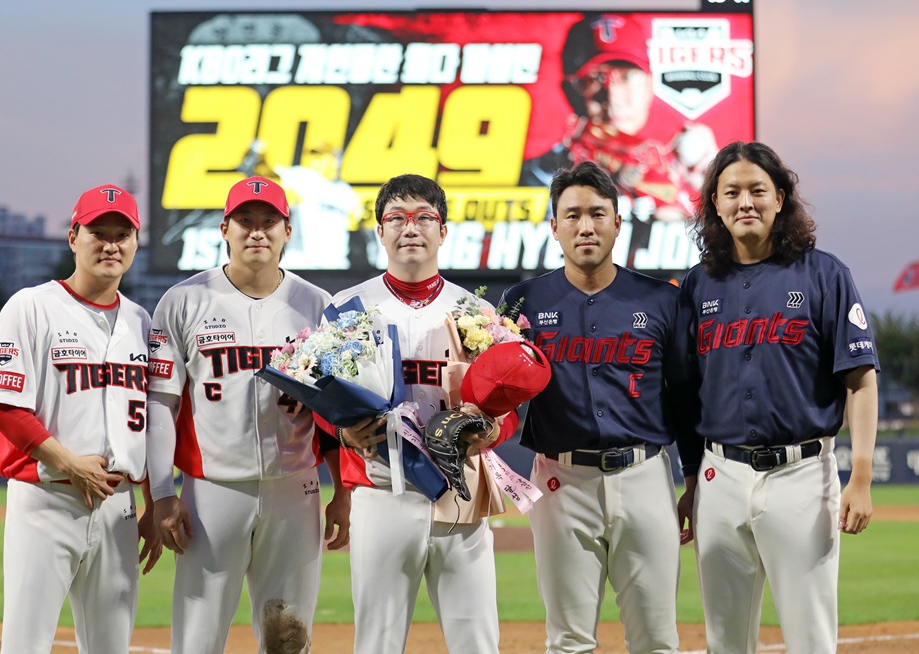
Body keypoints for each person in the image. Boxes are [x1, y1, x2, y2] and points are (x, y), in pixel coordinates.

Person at [675, 141, 880, 653]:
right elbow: (684, 394)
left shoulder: (825, 275)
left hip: (802, 474)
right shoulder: (698, 286)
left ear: (781, 198)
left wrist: (860, 475)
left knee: (810, 637)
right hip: (719, 475)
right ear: (716, 206)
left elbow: (860, 380)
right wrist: (690, 480)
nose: (745, 202)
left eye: (757, 190)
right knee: (725, 639)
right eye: (732, 192)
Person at [145, 175, 349, 654]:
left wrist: (343, 490)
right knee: (197, 638)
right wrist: (159, 493)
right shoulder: (183, 301)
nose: (257, 231)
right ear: (224, 229)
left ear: (287, 232)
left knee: (289, 637)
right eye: (245, 221)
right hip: (212, 491)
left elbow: (337, 413)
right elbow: (160, 403)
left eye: (268, 222)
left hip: (294, 489)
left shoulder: (319, 306)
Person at [327, 173, 516, 654]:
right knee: (377, 643)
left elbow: (505, 404)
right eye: (396, 218)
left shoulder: (475, 309)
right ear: (380, 231)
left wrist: (492, 430)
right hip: (380, 489)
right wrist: (345, 432)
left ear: (443, 231)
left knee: (477, 641)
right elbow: (323, 400)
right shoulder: (347, 308)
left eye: (424, 217)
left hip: (460, 492)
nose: (410, 228)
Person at [500, 161, 684, 653]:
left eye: (599, 214)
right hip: (562, 480)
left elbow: (686, 396)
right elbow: (497, 394)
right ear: (554, 225)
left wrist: (697, 483)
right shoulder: (523, 301)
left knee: (657, 639)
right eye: (573, 214)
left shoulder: (661, 300)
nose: (586, 226)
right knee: (568, 640)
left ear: (618, 223)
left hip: (645, 475)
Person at [0, 184, 160, 653]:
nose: (111, 244)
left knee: (110, 647)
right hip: (47, 500)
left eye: (123, 233)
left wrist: (154, 501)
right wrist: (70, 463)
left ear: (136, 243)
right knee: (25, 644)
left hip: (119, 506)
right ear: (73, 236)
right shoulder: (32, 306)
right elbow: (4, 405)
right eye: (98, 231)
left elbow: (152, 422)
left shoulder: (142, 322)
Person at [523, 13, 713, 224]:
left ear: (649, 86)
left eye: (628, 77)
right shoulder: (539, 176)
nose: (613, 98)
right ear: (571, 91)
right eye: (595, 78)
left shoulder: (677, 170)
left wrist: (713, 191)